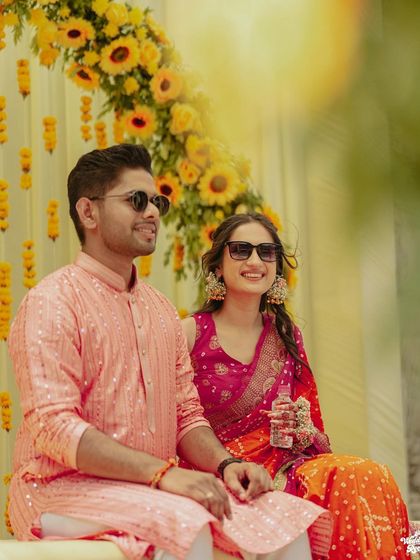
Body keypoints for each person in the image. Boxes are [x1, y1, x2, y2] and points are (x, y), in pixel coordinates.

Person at [7, 145, 332, 560]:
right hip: (59, 490)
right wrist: (163, 474)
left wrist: (227, 466)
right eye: (136, 201)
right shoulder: (53, 301)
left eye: (156, 201)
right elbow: (54, 427)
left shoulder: (159, 310)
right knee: (187, 522)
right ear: (88, 213)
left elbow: (187, 415)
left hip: (147, 488)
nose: (153, 213)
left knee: (282, 518)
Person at [182, 212, 410, 560]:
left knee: (366, 473)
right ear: (217, 265)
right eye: (241, 250)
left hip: (282, 465)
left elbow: (312, 432)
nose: (255, 261)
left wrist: (299, 428)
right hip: (218, 469)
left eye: (266, 251)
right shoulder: (189, 333)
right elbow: (175, 418)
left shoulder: (285, 336)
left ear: (276, 267)